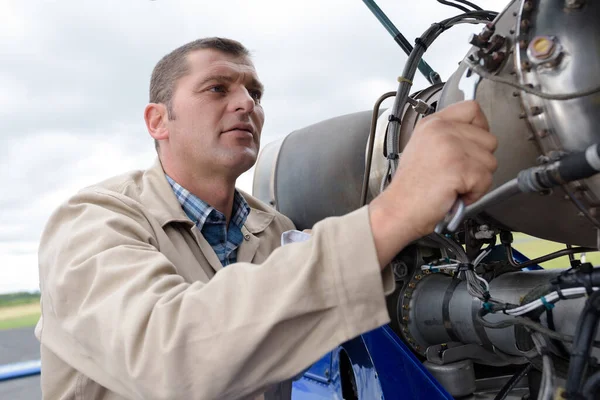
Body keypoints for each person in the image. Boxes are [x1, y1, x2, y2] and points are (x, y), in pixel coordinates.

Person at [35, 37, 498, 399]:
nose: (246, 105)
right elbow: (169, 359)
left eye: (254, 93)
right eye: (218, 88)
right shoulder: (92, 220)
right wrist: (396, 211)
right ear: (158, 121)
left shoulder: (274, 227)